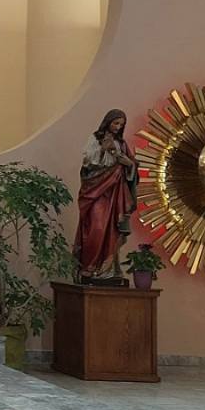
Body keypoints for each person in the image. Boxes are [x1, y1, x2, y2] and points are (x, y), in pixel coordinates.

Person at [73, 108, 138, 283]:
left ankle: (106, 271)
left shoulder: (122, 144)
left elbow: (132, 166)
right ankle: (88, 269)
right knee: (96, 228)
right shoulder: (95, 139)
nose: (118, 127)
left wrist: (128, 163)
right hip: (97, 191)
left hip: (115, 194)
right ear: (108, 121)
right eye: (116, 123)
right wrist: (103, 150)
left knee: (112, 230)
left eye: (121, 125)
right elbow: (88, 164)